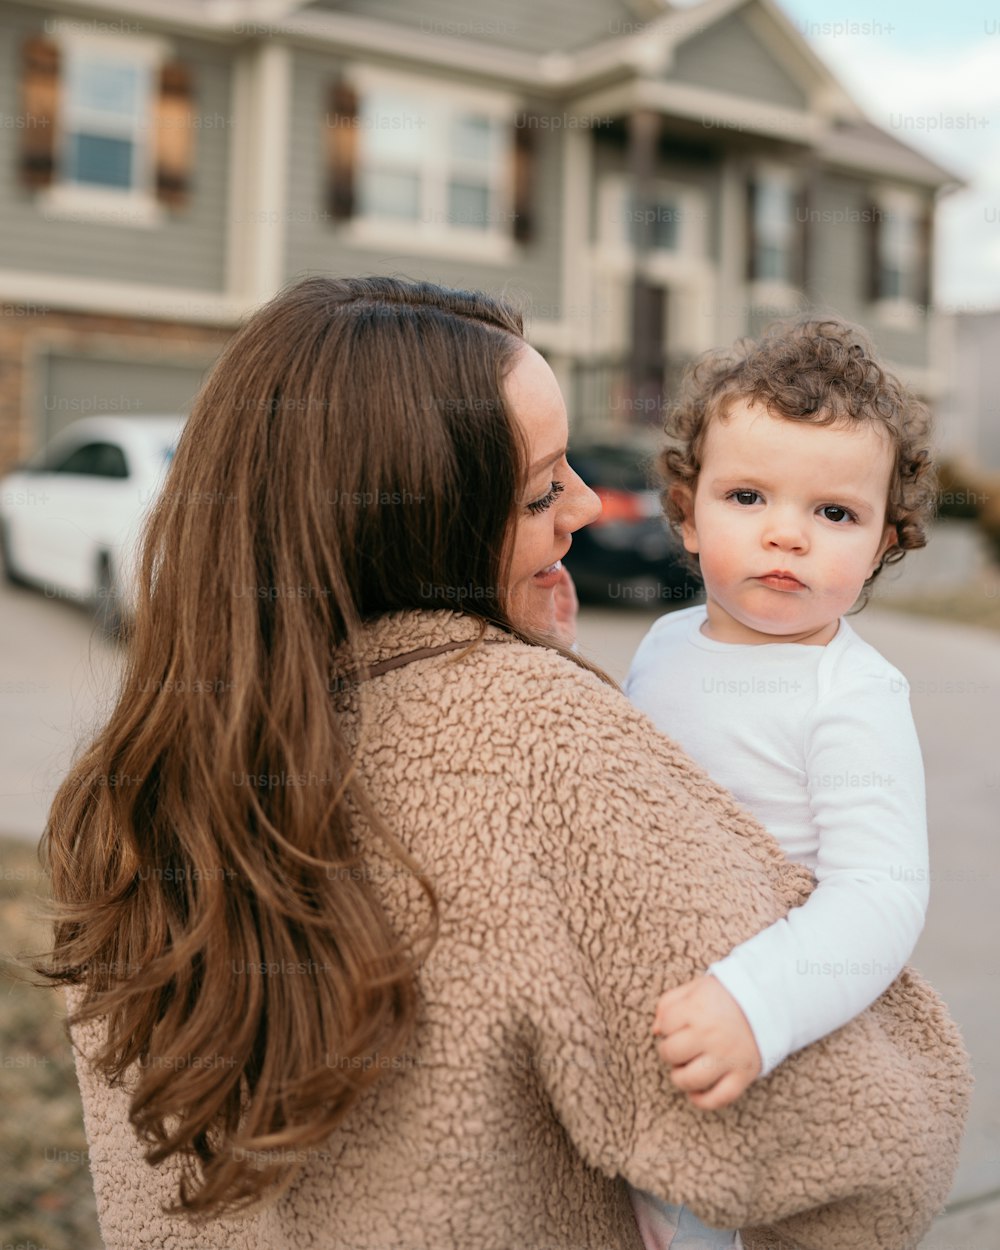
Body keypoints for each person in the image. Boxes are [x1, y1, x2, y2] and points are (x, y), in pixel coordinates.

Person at [40, 279, 968, 1249]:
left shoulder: (133, 796)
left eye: (832, 511)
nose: (582, 503)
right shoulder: (537, 748)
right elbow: (873, 1145)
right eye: (538, 489)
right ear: (421, 524)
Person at [624, 318, 937, 1250]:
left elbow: (880, 892)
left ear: (884, 541)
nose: (786, 535)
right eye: (749, 495)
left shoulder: (854, 695)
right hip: (636, 992)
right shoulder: (664, 642)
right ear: (687, 511)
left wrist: (759, 1004)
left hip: (750, 1024)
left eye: (835, 514)